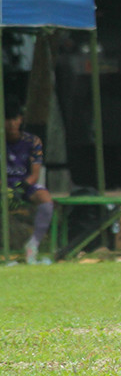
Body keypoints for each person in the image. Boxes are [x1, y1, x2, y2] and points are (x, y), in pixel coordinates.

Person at [4, 101, 54, 264]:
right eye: (6, 119)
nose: (11, 124)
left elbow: (35, 174)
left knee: (45, 199)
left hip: (24, 184)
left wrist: (21, 187)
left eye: (14, 119)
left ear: (20, 120)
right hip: (3, 186)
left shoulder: (33, 141)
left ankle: (33, 245)